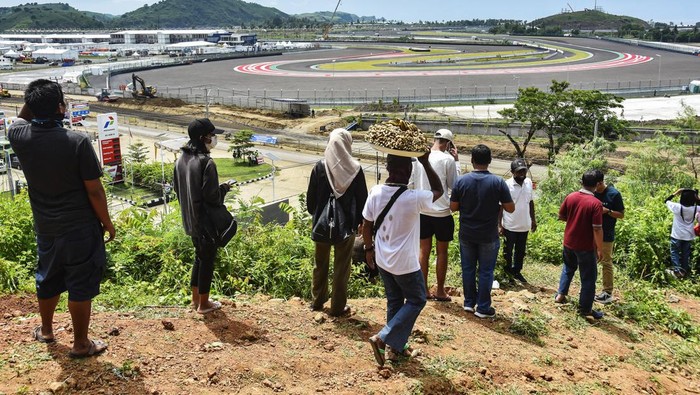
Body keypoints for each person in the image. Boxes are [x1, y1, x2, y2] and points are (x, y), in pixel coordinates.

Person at [9, 79, 115, 358]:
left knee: (48, 277)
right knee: (80, 283)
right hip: (80, 227)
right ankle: (81, 343)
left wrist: (35, 99)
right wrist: (107, 222)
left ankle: (46, 330)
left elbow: (22, 117)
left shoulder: (18, 135)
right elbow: (94, 191)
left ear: (30, 106)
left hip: (46, 226)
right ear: (60, 107)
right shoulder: (76, 142)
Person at [363, 154, 442, 365]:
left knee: (395, 300)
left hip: (382, 259)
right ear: (408, 171)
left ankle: (395, 347)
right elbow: (439, 191)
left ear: (388, 168)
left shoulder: (376, 192)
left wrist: (369, 249)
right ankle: (383, 337)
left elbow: (367, 225)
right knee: (417, 299)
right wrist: (425, 162)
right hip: (405, 264)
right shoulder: (413, 197)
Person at [173, 118, 232, 314]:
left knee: (199, 257)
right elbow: (212, 197)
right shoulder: (207, 162)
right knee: (207, 260)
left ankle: (196, 298)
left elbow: (177, 190)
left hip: (189, 219)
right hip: (205, 221)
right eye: (212, 135)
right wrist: (224, 188)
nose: (214, 138)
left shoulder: (180, 160)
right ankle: (204, 304)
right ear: (202, 138)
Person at [307, 128, 368, 316]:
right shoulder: (355, 169)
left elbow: (311, 202)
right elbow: (362, 200)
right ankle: (337, 307)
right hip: (347, 227)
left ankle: (317, 302)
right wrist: (358, 223)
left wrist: (318, 218)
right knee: (342, 267)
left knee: (320, 264)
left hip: (322, 226)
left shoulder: (319, 167)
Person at [450, 144, 514, 318]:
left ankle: (469, 303)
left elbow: (453, 207)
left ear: (472, 160)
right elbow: (510, 208)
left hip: (467, 233)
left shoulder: (462, 181)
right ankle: (483, 307)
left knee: (468, 269)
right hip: (488, 235)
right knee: (486, 271)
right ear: (490, 161)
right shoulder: (498, 182)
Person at [410, 128, 460, 301]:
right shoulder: (448, 160)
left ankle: (423, 289)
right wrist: (456, 161)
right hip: (442, 213)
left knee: (423, 250)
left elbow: (411, 183)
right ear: (448, 143)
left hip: (422, 211)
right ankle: (439, 290)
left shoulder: (420, 158)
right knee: (442, 252)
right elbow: (454, 185)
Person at [555, 170, 604, 320]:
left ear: (581, 182)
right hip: (585, 246)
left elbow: (561, 216)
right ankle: (585, 309)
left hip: (569, 242)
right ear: (596, 185)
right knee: (588, 277)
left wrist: (575, 221)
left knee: (568, 267)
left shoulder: (571, 197)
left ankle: (560, 295)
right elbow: (597, 228)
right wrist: (600, 248)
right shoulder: (596, 203)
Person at [498, 158, 537, 284]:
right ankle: (507, 272)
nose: (522, 174)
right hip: (509, 225)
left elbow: (530, 202)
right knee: (507, 252)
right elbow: (500, 206)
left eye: (523, 171)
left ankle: (517, 271)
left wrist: (533, 219)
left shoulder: (528, 182)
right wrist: (499, 224)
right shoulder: (506, 185)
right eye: (519, 172)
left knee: (520, 251)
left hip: (524, 224)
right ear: (513, 172)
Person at [593, 170, 624, 303]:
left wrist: (608, 211)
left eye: (595, 185)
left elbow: (621, 214)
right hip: (592, 232)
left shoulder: (614, 194)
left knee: (606, 262)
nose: (593, 188)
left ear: (600, 183)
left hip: (606, 233)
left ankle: (607, 292)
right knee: (591, 261)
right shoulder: (592, 192)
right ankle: (589, 288)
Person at [664, 188, 700, 278]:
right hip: (688, 236)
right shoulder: (696, 208)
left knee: (674, 252)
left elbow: (666, 201)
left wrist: (675, 193)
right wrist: (697, 197)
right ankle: (684, 271)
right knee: (685, 254)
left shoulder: (677, 207)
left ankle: (677, 271)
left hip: (677, 234)